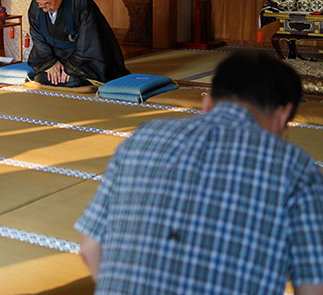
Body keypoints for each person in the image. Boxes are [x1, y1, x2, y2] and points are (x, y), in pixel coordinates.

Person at [75, 51, 323, 294]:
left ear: (207, 102)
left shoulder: (143, 137)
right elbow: (314, 286)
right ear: (282, 115)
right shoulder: (296, 168)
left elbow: (89, 248)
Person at [27, 0, 128, 87]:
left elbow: (88, 38)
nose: (45, 9)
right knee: (40, 78)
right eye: (40, 5)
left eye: (48, 4)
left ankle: (71, 77)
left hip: (81, 58)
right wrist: (51, 63)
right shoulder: (37, 5)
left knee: (74, 80)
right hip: (55, 56)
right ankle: (60, 75)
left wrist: (71, 68)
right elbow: (37, 37)